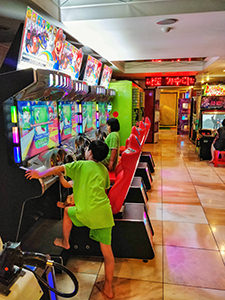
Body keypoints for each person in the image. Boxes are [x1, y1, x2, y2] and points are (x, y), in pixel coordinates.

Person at [25, 140, 115, 298]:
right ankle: (109, 288)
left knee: (67, 212)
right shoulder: (103, 170)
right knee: (108, 254)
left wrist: (38, 174)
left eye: (87, 149)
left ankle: (65, 242)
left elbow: (58, 167)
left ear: (90, 153)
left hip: (85, 213)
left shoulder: (80, 165)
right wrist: (61, 177)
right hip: (104, 215)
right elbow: (72, 185)